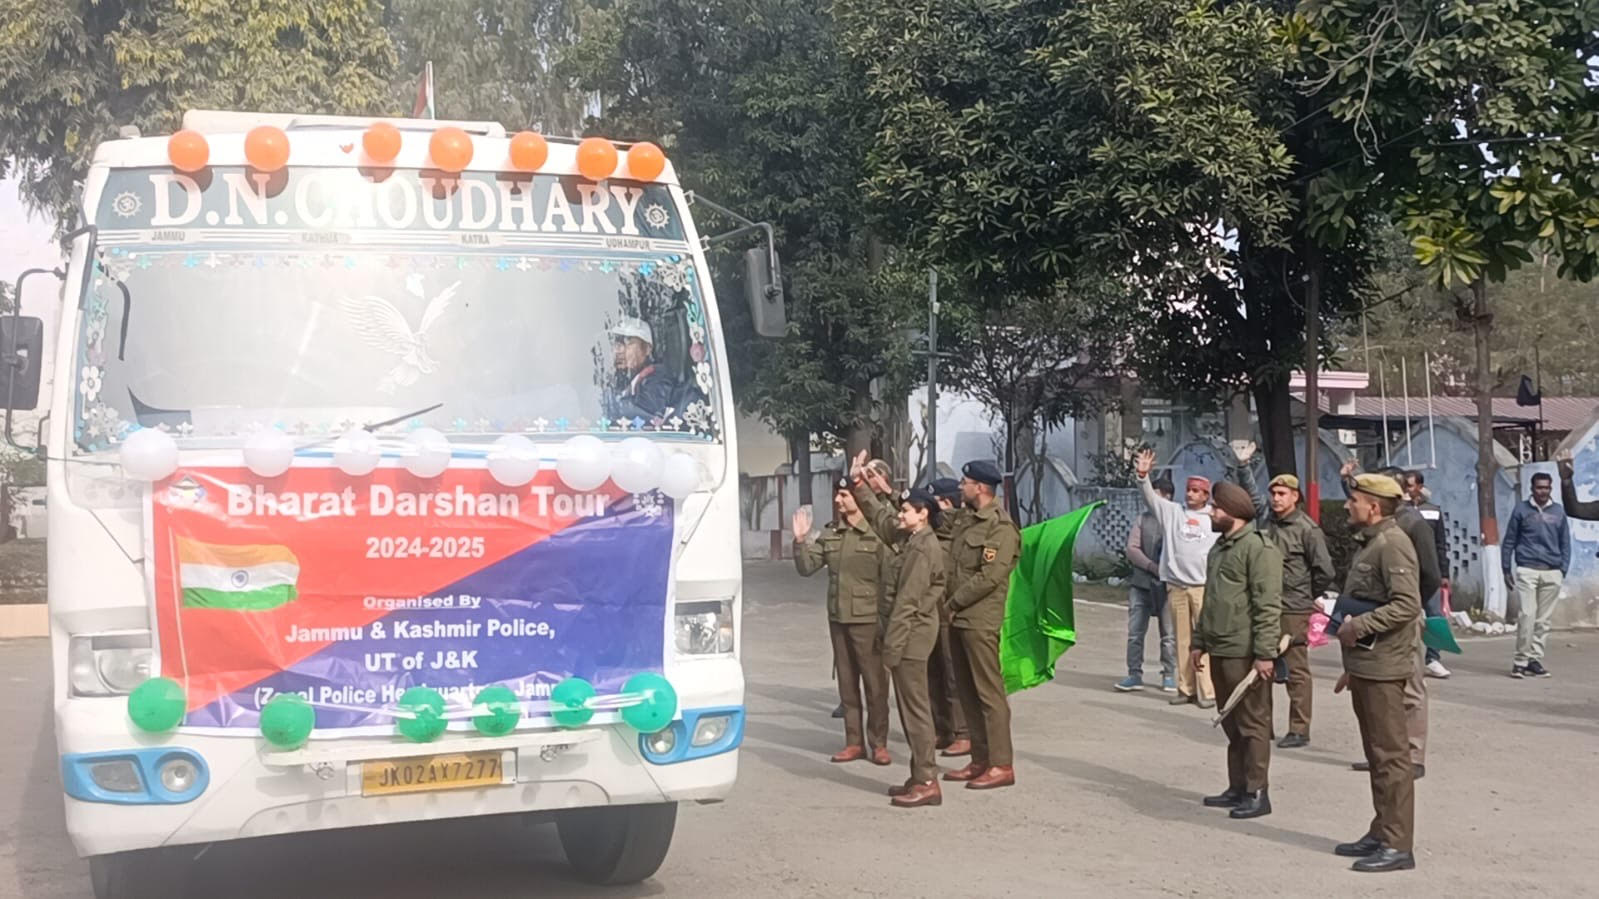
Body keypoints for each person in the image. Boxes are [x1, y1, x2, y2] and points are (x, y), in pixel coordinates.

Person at [1331, 474, 1422, 873]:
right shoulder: (1370, 543)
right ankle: (1381, 830)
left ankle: (1398, 844)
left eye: (1354, 500)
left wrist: (1359, 627)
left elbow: (1407, 605)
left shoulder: (1392, 544)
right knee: (1376, 755)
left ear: (1373, 506)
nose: (1348, 505)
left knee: (1391, 757)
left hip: (1386, 667)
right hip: (1367, 665)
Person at [1229, 443, 1335, 749]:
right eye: (1274, 493)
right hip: (1263, 605)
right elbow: (1249, 494)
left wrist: (1306, 596)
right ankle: (1263, 725)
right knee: (1261, 664)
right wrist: (1243, 466)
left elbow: (1325, 570)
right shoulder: (1266, 520)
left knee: (1296, 670)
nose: (1276, 499)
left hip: (1292, 609)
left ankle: (1299, 729)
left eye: (1282, 494)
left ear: (1295, 497)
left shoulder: (1307, 530)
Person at [1341, 461, 1436, 779]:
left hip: (1402, 621)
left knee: (1411, 690)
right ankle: (1387, 753)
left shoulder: (1410, 527)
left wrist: (1411, 611)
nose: (1348, 504)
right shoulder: (1370, 534)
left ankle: (1412, 754)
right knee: (1386, 705)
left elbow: (1430, 575)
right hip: (1380, 626)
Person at [1194, 481, 1283, 819]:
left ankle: (1258, 792)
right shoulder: (1220, 548)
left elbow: (1267, 604)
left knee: (1253, 724)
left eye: (1216, 507)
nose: (1211, 512)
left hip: (1245, 651)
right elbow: (1212, 599)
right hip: (1219, 646)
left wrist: (1265, 654)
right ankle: (1238, 787)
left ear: (1233, 512)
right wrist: (1199, 642)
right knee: (1231, 723)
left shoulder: (1259, 549)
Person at [792, 480, 894, 766]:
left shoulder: (877, 536)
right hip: (839, 620)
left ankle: (879, 743)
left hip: (869, 621)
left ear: (859, 500)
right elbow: (807, 568)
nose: (838, 499)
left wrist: (887, 622)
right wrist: (800, 542)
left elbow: (889, 581)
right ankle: (854, 743)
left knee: (876, 687)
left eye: (845, 495)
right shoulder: (831, 533)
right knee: (847, 687)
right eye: (838, 494)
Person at [938, 460, 1021, 790]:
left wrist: (953, 602)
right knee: (967, 691)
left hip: (979, 618)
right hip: (959, 617)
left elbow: (990, 576)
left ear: (981, 488)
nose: (961, 487)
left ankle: (1001, 764)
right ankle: (980, 759)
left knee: (989, 693)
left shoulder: (1000, 527)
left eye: (965, 482)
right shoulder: (967, 520)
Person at [1134, 448, 1220, 708]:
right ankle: (1185, 688)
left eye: (1197, 491)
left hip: (1202, 588)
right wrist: (1142, 476)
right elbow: (1150, 498)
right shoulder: (1172, 512)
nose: (1191, 494)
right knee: (1182, 639)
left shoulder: (1214, 518)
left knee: (1204, 640)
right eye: (1189, 489)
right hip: (1177, 586)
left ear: (1206, 495)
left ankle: (1208, 691)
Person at [881, 488, 948, 808]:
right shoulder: (916, 542)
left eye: (906, 510)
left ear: (923, 513)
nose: (901, 515)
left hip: (911, 638)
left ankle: (926, 780)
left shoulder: (922, 549)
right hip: (913, 634)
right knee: (913, 710)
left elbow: (907, 602)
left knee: (915, 712)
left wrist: (891, 648)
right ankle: (918, 774)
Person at [1501, 471, 1570, 679]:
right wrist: (1506, 568)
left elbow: (1565, 542)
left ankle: (1534, 660)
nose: (1543, 491)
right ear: (1532, 489)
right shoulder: (1521, 510)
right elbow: (1510, 540)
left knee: (1543, 620)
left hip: (1552, 571)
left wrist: (1562, 569)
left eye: (1547, 487)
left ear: (1551, 489)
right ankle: (1520, 661)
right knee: (1527, 616)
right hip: (1527, 570)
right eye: (1539, 487)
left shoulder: (1558, 512)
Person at [1117, 477, 1176, 693]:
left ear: (1169, 498)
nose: (1156, 500)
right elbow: (1132, 549)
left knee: (1169, 635)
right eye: (1154, 494)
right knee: (1135, 632)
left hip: (1169, 586)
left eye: (1161, 496)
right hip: (1141, 584)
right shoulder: (1143, 519)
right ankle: (1134, 674)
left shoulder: (1175, 520)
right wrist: (1152, 566)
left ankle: (1169, 674)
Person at [928, 477, 972, 755]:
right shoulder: (930, 535)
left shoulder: (960, 532)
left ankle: (963, 732)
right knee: (933, 673)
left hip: (951, 611)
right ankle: (942, 729)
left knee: (954, 673)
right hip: (930, 611)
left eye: (938, 505)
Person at [1403, 471, 1453, 679]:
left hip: (1429, 571)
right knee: (1405, 615)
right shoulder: (1399, 510)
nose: (1407, 489)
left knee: (1434, 616)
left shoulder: (1433, 511)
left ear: (1420, 486)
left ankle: (1433, 659)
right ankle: (1405, 659)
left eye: (1411, 485)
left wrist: (1443, 573)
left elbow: (1441, 545)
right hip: (1405, 570)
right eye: (1405, 485)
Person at [608, 317, 682, 422]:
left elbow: (646, 415)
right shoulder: (622, 382)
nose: (618, 350)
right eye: (617, 344)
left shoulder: (658, 382)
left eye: (628, 343)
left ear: (647, 348)